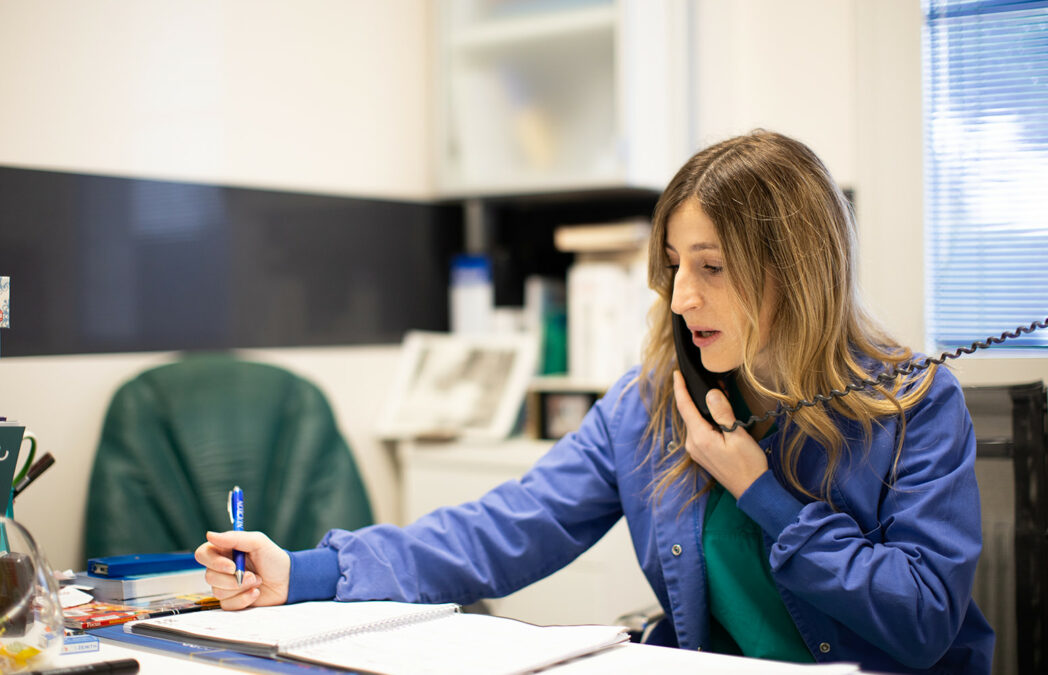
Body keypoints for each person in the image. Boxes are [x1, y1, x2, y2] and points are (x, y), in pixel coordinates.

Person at [195, 131, 993, 673]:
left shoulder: (915, 405)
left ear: (798, 271)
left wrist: (761, 489)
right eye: (675, 265)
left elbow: (922, 621)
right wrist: (304, 570)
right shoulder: (655, 404)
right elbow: (503, 528)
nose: (681, 296)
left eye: (711, 267)